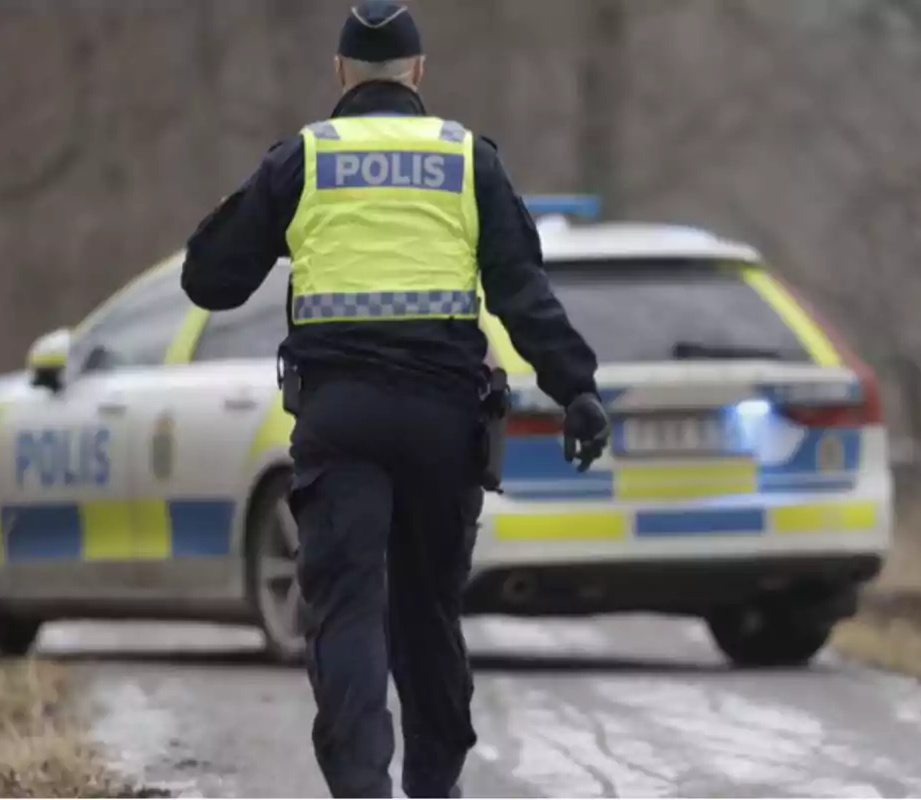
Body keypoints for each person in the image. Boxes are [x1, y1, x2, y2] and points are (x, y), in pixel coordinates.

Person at [180, 2, 609, 795]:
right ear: (418, 72)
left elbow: (207, 279)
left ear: (341, 72)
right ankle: (435, 786)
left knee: (346, 612)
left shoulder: (305, 159)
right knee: (428, 615)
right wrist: (576, 389)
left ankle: (361, 789)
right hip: (442, 421)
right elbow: (523, 293)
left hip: (340, 419)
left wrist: (259, 214)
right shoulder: (467, 159)